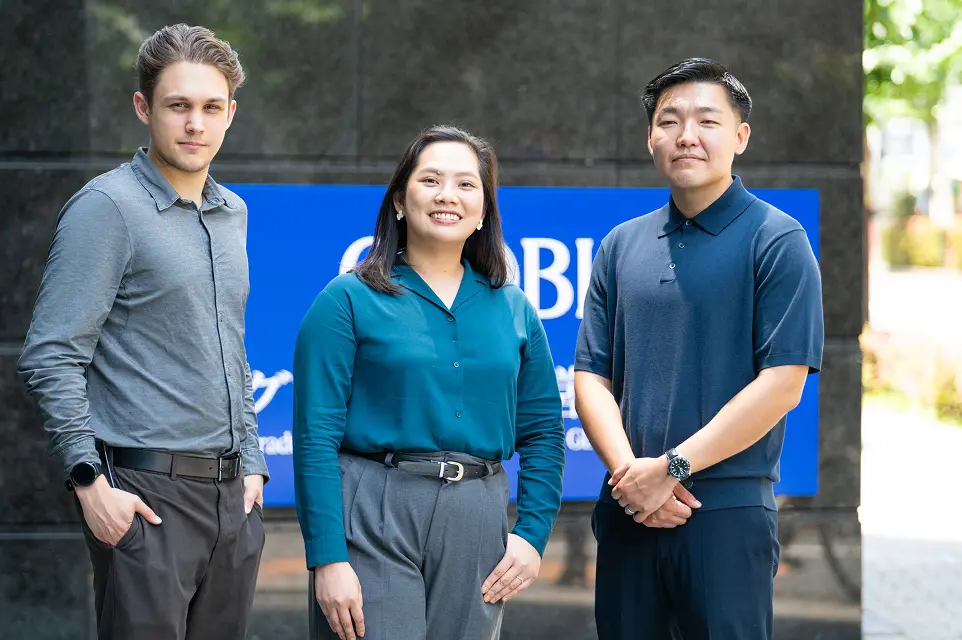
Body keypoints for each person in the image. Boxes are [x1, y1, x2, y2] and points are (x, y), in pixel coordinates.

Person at [17, 24, 268, 640]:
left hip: (232, 498)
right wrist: (89, 483)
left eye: (211, 108)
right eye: (178, 106)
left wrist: (254, 462)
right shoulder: (108, 208)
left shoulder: (232, 212)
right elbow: (51, 354)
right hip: (145, 497)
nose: (194, 125)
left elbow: (229, 345)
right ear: (143, 108)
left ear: (231, 114)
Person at [573, 58, 824, 640]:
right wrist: (633, 479)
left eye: (707, 121)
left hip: (725, 513)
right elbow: (591, 376)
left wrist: (673, 469)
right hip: (629, 508)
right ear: (651, 137)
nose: (686, 135)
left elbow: (783, 383)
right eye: (670, 120)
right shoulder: (621, 244)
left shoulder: (777, 239)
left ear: (740, 137)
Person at [292, 125, 567, 640]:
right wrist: (327, 558)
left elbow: (545, 433)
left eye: (467, 184)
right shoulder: (346, 299)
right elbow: (314, 438)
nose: (448, 196)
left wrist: (531, 535)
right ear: (400, 198)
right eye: (431, 179)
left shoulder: (514, 307)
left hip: (478, 514)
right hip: (374, 510)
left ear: (484, 209)